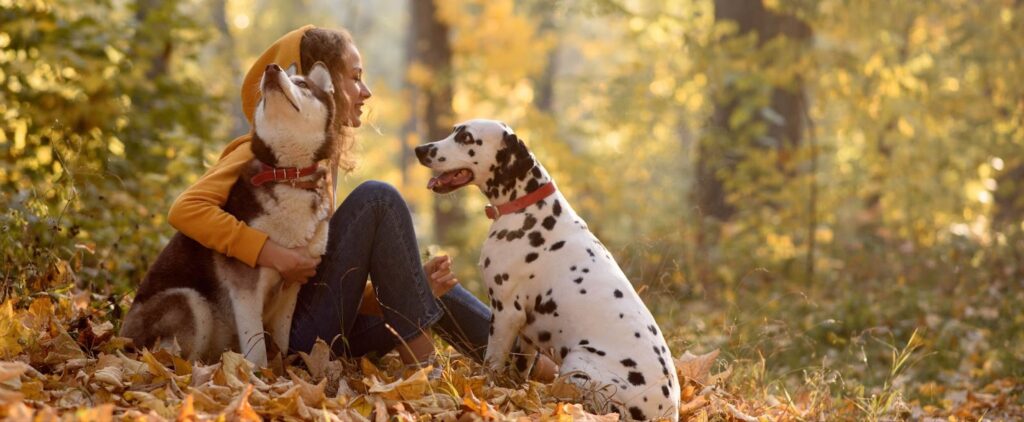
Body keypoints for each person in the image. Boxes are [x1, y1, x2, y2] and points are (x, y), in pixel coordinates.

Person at [167, 25, 555, 379]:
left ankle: (547, 371)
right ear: (322, 83)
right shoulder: (261, 154)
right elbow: (186, 209)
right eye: (354, 78)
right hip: (286, 339)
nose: (365, 92)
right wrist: (269, 252)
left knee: (430, 281)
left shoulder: (317, 168)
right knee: (378, 200)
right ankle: (428, 377)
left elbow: (323, 285)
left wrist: (411, 288)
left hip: (316, 327)